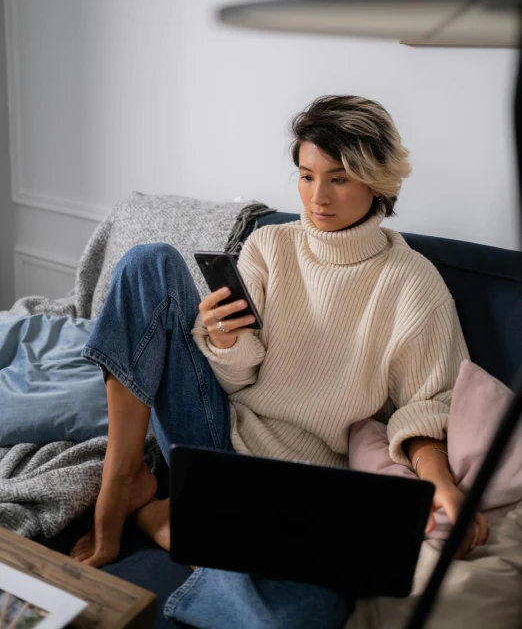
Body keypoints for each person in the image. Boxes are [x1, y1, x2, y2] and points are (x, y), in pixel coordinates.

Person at [71, 95, 487, 629]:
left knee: (304, 616)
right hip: (215, 435)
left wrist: (443, 484)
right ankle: (121, 480)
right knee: (149, 262)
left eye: (338, 179)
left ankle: (164, 517)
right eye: (306, 176)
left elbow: (426, 406)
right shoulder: (269, 244)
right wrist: (223, 341)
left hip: (305, 484)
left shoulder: (412, 283)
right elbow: (238, 376)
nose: (317, 198)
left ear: (380, 183)